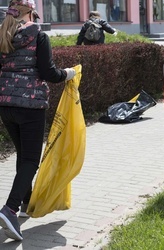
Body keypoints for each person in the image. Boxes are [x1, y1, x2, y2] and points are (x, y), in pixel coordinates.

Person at [0, 0, 76, 241]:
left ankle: (25, 203)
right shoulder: (38, 37)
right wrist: (69, 73)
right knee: (31, 160)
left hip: (5, 105)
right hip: (31, 106)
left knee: (23, 156)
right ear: (32, 12)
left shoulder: (3, 34)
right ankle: (9, 210)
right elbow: (49, 73)